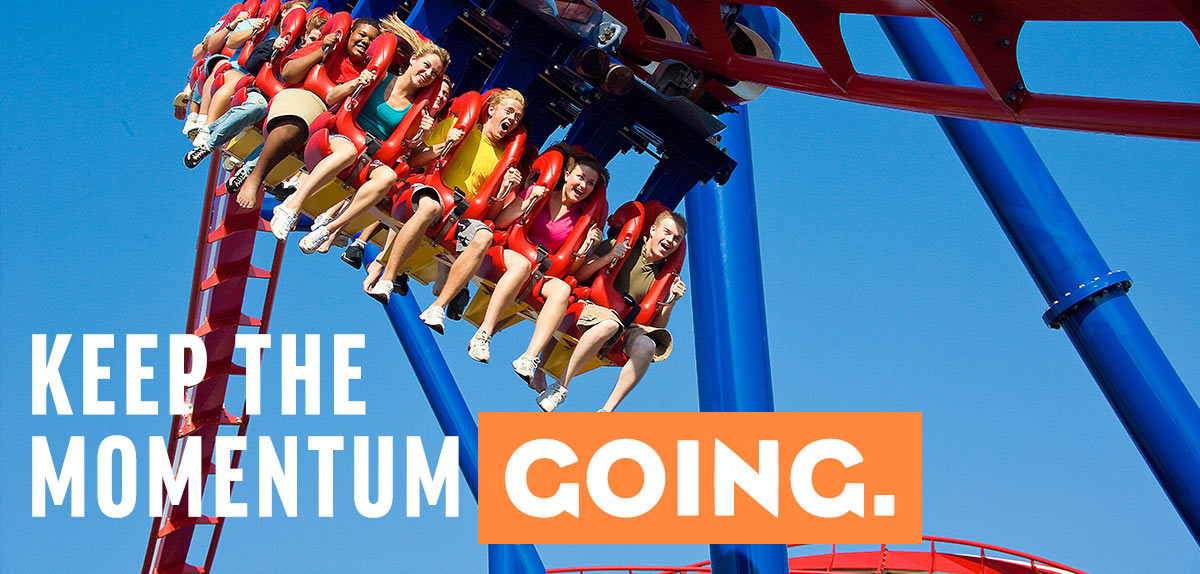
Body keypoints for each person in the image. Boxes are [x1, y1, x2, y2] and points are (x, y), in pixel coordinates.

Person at [273, 33, 451, 252]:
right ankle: (290, 207)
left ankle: (328, 229)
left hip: (371, 153)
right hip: (342, 137)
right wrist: (357, 82)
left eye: (434, 73)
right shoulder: (381, 77)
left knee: (389, 177)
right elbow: (331, 98)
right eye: (426, 66)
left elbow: (408, 148)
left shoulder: (418, 107)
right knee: (347, 152)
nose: (427, 74)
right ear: (413, 60)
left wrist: (422, 134)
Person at [363, 88, 526, 321]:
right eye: (508, 111)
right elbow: (415, 159)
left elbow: (492, 212)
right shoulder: (457, 126)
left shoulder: (504, 159)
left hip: (461, 215)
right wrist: (445, 144)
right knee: (430, 207)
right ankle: (387, 278)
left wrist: (504, 190)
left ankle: (438, 307)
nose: (511, 119)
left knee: (484, 237)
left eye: (517, 117)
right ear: (491, 110)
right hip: (432, 193)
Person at [468, 149, 607, 381]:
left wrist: (586, 248)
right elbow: (502, 221)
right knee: (522, 265)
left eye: (591, 183)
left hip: (541, 272)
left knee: (563, 289)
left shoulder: (582, 219)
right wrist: (528, 202)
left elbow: (570, 270)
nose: (584, 185)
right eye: (581, 177)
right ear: (567, 175)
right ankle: (484, 333)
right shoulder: (540, 192)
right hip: (512, 255)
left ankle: (529, 357)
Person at [535, 209, 688, 412]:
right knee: (609, 323)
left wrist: (672, 301)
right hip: (594, 309)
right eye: (667, 232)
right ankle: (561, 387)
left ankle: (606, 411)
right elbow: (580, 273)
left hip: (626, 325)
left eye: (676, 239)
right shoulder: (624, 243)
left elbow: (655, 324)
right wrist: (608, 257)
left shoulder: (665, 277)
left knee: (647, 346)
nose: (670, 240)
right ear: (652, 230)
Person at [232, 16, 382, 210]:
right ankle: (255, 177)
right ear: (351, 33)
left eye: (371, 40)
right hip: (302, 96)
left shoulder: (369, 72)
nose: (365, 42)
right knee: (295, 125)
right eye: (362, 35)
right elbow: (289, 73)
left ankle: (299, 205)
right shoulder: (329, 46)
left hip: (331, 118)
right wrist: (323, 50)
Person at [184, 5, 326, 169]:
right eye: (313, 39)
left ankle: (248, 170)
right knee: (256, 106)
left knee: (293, 129)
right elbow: (250, 62)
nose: (313, 44)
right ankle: (208, 139)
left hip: (285, 103)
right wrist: (273, 47)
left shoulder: (317, 59)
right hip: (260, 89)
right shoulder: (285, 43)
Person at [341, 77, 454, 268]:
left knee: (405, 193)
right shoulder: (414, 109)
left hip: (412, 171)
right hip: (390, 160)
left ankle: (380, 260)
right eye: (439, 92)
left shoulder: (437, 123)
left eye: (445, 95)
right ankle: (352, 236)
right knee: (391, 182)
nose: (441, 97)